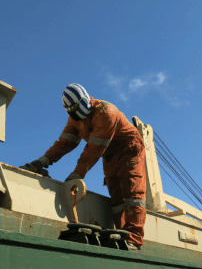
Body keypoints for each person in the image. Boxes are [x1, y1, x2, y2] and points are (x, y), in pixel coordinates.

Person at [21, 83, 146, 250]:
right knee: (117, 198)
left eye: (75, 108)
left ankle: (133, 240)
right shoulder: (75, 119)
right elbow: (63, 144)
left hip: (129, 149)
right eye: (70, 110)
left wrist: (76, 175)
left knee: (132, 193)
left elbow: (93, 150)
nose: (73, 113)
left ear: (85, 101)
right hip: (109, 154)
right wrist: (41, 162)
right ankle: (122, 236)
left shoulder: (106, 113)